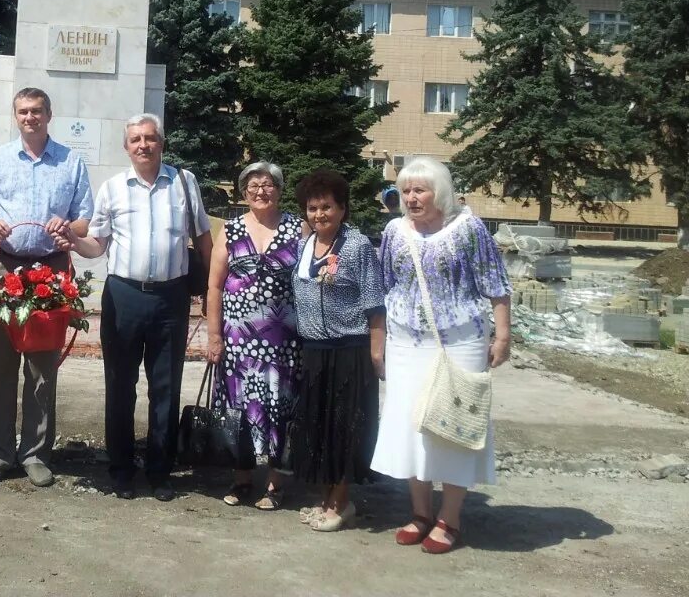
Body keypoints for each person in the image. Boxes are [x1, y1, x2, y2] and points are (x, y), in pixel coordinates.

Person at [58, 114, 211, 501]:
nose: (143, 145)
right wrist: (74, 245)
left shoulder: (184, 182)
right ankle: (122, 471)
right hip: (124, 296)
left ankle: (160, 471)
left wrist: (211, 290)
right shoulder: (112, 189)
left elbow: (204, 239)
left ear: (162, 142)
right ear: (126, 147)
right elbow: (97, 244)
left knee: (165, 387)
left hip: (170, 298)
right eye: (135, 140)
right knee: (120, 385)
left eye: (150, 138)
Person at [370, 157, 511, 555]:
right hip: (405, 344)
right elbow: (384, 288)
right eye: (406, 190)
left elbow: (497, 285)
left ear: (440, 193)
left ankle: (450, 519)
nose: (412, 198)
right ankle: (420, 513)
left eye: (421, 190)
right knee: (412, 428)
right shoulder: (394, 231)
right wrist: (378, 343)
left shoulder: (469, 229)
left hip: (459, 343)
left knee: (451, 428)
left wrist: (502, 337)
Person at [0, 88, 93, 488]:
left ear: (49, 114)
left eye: (37, 111)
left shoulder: (70, 162)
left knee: (42, 369)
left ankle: (36, 454)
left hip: (50, 272)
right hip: (4, 269)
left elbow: (84, 219)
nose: (30, 117)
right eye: (23, 111)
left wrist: (68, 228)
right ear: (15, 115)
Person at [288, 168, 385, 531]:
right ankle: (327, 497)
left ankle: (341, 503)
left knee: (344, 428)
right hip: (314, 351)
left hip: (350, 351)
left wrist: (377, 356)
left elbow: (375, 305)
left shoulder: (358, 247)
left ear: (342, 209)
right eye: (312, 208)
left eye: (327, 207)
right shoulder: (304, 245)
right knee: (321, 426)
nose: (319, 215)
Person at [204, 161, 304, 511]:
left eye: (268, 185)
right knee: (238, 408)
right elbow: (214, 286)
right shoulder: (230, 230)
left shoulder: (297, 228)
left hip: (283, 341)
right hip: (237, 342)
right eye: (253, 185)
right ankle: (243, 479)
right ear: (243, 192)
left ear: (279, 189)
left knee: (280, 407)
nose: (261, 191)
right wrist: (214, 336)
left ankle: (275, 484)